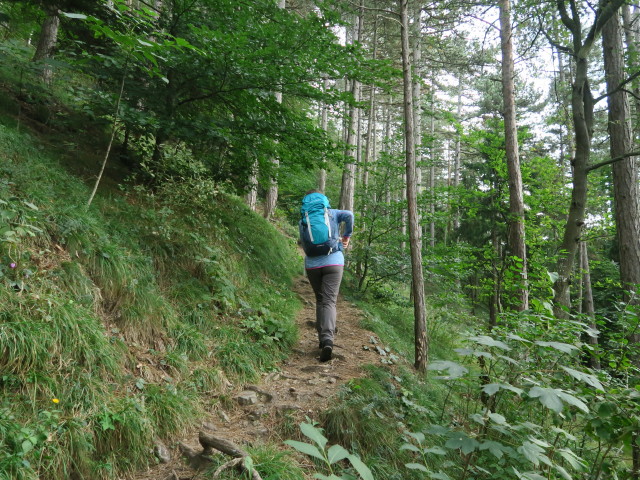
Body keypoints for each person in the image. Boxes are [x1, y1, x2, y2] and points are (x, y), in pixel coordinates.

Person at [299, 190, 354, 362]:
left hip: (312, 265)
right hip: (334, 262)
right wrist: (346, 236)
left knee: (320, 299)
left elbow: (303, 242)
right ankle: (328, 339)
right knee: (330, 301)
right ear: (324, 200)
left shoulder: (303, 220)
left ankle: (321, 339)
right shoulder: (332, 213)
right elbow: (350, 215)